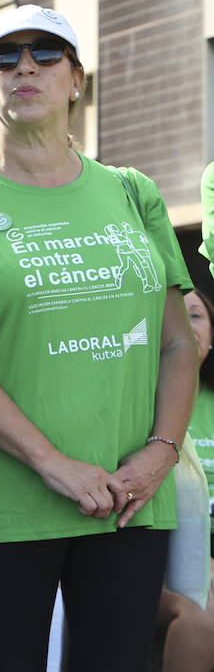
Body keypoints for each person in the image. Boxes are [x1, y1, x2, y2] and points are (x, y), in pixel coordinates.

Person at [0, 4, 198, 671]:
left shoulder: (133, 194)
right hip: (4, 506)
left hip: (127, 500)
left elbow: (177, 345)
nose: (24, 69)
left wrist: (159, 453)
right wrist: (52, 463)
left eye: (46, 54)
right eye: (3, 59)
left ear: (76, 80)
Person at [154, 287, 214, 672]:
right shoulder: (135, 401)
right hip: (154, 558)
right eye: (172, 314)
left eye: (195, 315)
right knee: (203, 615)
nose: (184, 325)